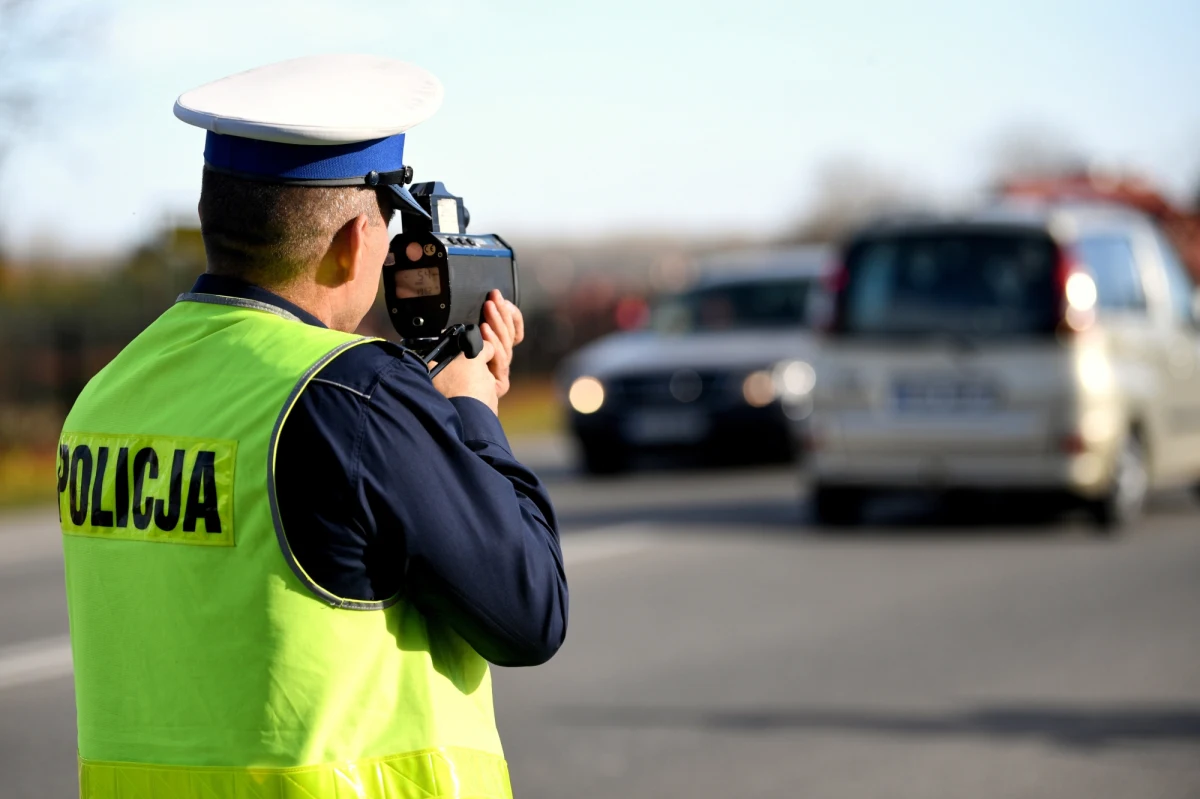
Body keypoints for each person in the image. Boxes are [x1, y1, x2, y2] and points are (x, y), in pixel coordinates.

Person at [57, 54, 567, 799]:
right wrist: (472, 412)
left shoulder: (107, 393)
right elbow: (530, 608)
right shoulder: (350, 394)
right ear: (356, 243)